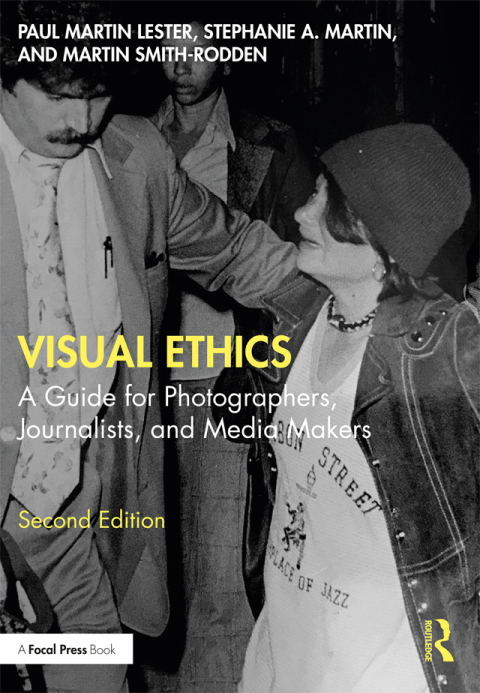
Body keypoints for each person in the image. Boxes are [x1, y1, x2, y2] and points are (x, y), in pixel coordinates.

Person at [0, 3, 298, 692]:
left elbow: (237, 249)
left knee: (97, 674)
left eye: (97, 93)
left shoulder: (135, 156)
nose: (81, 120)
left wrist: (369, 293)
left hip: (76, 515)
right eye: (57, 95)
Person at [225, 124, 479, 692]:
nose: (300, 213)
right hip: (286, 644)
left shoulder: (443, 352)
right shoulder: (302, 312)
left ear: (381, 242)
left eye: (324, 203)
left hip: (384, 667)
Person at [150, 18, 315, 691]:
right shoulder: (130, 140)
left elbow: (292, 265)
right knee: (149, 583)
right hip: (142, 394)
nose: (181, 63)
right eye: (168, 47)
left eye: (197, 48)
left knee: (220, 582)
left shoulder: (269, 145)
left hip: (226, 388)